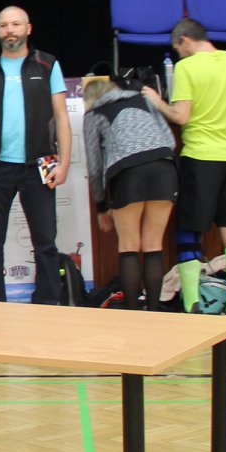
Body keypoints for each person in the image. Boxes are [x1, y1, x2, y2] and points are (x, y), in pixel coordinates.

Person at [143, 19, 226, 314]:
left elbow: (181, 116)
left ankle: (192, 303)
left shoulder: (186, 67)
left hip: (200, 156)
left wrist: (156, 100)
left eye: (177, 48)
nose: (178, 54)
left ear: (184, 40)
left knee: (189, 231)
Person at [0, 7, 69, 302]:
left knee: (45, 242)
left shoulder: (47, 64)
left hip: (42, 164)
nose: (9, 30)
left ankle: (48, 305)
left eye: (15, 24)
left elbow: (61, 117)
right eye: (3, 25)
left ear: (28, 28)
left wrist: (63, 163)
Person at [81, 69, 177, 310]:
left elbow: (95, 166)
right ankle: (154, 311)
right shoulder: (143, 100)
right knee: (153, 245)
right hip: (164, 169)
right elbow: (170, 141)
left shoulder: (93, 114)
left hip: (128, 174)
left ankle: (133, 314)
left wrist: (102, 206)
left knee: (128, 246)